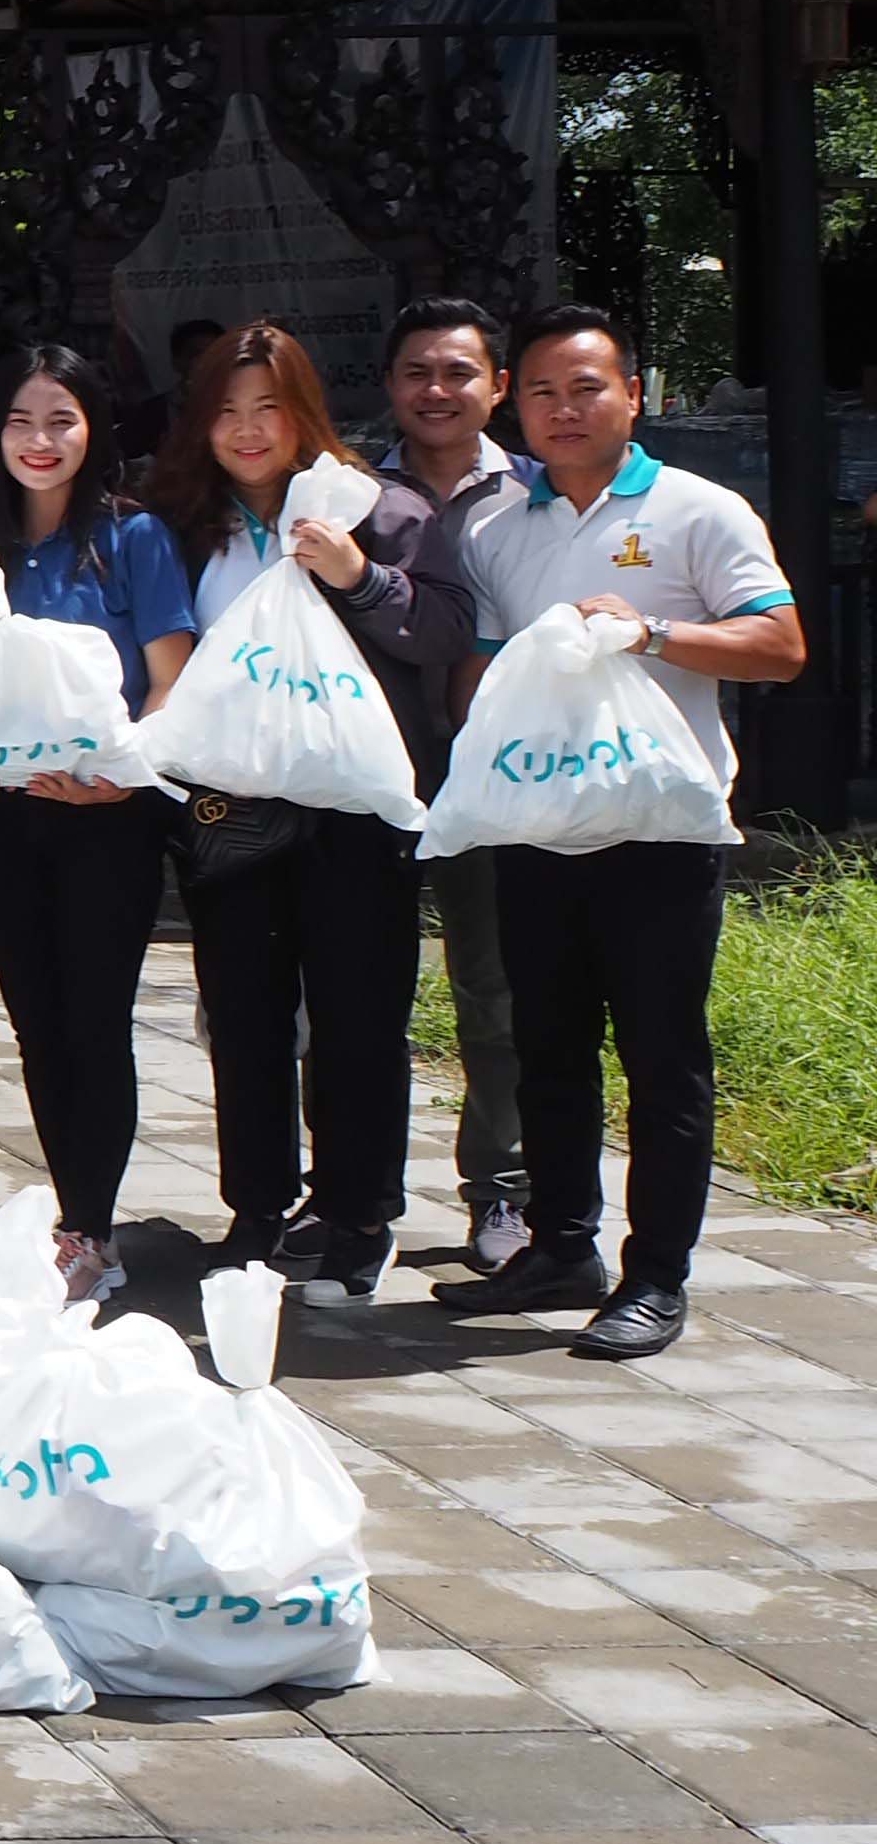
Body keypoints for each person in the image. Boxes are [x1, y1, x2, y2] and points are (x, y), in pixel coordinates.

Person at [432, 305, 804, 1360]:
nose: (563, 410)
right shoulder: (496, 527)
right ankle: (561, 1247)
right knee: (545, 1050)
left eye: (587, 388)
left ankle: (657, 1276)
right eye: (542, 391)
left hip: (661, 835)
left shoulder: (700, 511)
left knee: (661, 1057)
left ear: (634, 396)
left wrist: (655, 633)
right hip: (541, 830)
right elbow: (489, 669)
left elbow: (780, 645)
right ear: (516, 401)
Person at [145, 318, 469, 1307]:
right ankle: (256, 1208)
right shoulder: (177, 522)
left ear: (304, 415)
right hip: (225, 811)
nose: (247, 432)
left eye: (268, 410)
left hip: (354, 814)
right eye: (226, 412)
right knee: (241, 1016)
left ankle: (358, 1213)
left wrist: (357, 577)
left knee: (358, 1016)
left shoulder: (379, 508)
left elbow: (444, 628)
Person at [0, 346, 196, 1306]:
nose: (40, 442)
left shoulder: (133, 538)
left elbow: (168, 679)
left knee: (93, 1021)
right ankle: (73, 1214)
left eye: (62, 420)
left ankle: (92, 1225)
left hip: (104, 824)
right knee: (37, 1024)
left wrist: (125, 783)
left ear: (95, 429)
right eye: (20, 421)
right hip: (2, 821)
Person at [383, 296, 526, 1266]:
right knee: (356, 989)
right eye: (418, 373)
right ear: (391, 386)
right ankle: (352, 1193)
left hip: (502, 775)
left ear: (497, 386)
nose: (438, 390)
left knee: (495, 985)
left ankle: (503, 1189)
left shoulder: (539, 500)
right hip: (375, 768)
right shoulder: (349, 493)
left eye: (459, 372)